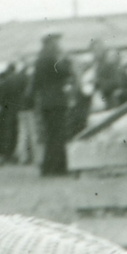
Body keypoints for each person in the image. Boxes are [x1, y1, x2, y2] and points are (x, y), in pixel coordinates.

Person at [31, 33, 76, 177]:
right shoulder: (53, 58)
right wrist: (67, 61)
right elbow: (65, 72)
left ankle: (48, 168)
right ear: (52, 43)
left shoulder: (39, 60)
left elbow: (35, 83)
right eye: (57, 41)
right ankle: (58, 168)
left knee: (50, 136)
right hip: (57, 101)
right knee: (59, 135)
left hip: (45, 103)